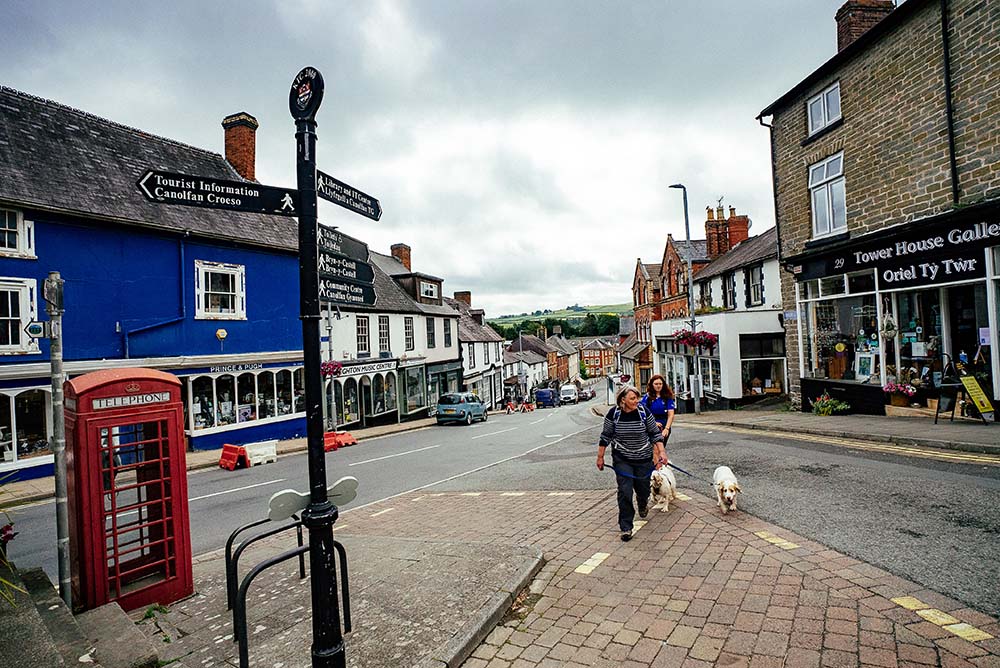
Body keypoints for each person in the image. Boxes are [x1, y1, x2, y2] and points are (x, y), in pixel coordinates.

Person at [596, 386, 667, 542]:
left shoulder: (643, 412)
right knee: (625, 491)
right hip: (622, 459)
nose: (637, 401)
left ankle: (642, 503)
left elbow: (655, 433)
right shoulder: (613, 414)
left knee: (643, 490)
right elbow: (605, 436)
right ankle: (626, 527)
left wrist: (661, 453)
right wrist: (600, 457)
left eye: (637, 398)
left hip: (643, 458)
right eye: (632, 398)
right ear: (623, 400)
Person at [641, 374, 676, 440]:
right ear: (652, 385)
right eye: (656, 384)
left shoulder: (667, 397)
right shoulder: (647, 397)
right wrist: (653, 423)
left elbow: (671, 415)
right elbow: (642, 413)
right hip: (651, 427)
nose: (658, 386)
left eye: (660, 384)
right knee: (654, 449)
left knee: (661, 448)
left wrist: (667, 428)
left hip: (664, 427)